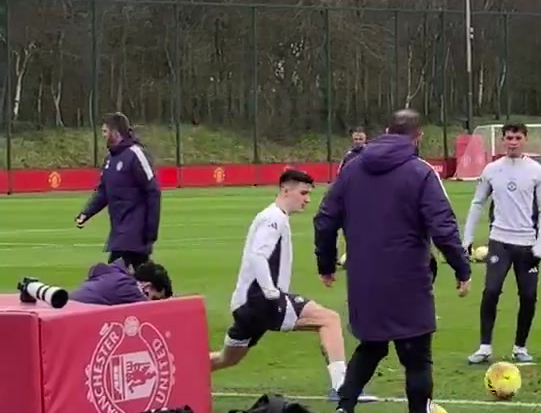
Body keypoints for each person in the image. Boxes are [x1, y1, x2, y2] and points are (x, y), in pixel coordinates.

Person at [314, 110, 471, 413]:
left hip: (364, 278)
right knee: (417, 359)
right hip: (408, 278)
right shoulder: (420, 172)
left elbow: (324, 219)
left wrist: (326, 264)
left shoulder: (352, 169)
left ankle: (345, 407)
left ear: (385, 131)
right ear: (418, 137)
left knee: (371, 346)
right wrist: (462, 268)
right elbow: (443, 225)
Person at [211, 169, 348, 396]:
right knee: (329, 319)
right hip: (260, 302)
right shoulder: (273, 218)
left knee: (227, 358)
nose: (307, 199)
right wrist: (271, 292)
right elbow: (258, 255)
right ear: (286, 190)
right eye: (303, 193)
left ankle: (180, 375)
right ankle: (342, 388)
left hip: (246, 305)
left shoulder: (274, 217)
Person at [462, 120, 541, 367]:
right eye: (509, 138)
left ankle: (520, 348)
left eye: (517, 138)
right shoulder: (492, 170)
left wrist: (540, 246)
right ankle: (484, 347)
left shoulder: (536, 171)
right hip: (500, 242)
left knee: (529, 296)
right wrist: (467, 239)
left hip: (527, 244)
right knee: (491, 291)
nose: (513, 143)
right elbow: (477, 203)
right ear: (502, 140)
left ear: (525, 139)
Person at [75, 113, 161, 265]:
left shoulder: (136, 154)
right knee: (140, 273)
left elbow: (153, 191)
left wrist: (151, 230)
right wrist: (86, 213)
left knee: (115, 273)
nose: (103, 135)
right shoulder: (110, 160)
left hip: (135, 232)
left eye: (105, 131)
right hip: (119, 230)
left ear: (115, 132)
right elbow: (103, 192)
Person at [17, 260, 173, 307]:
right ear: (147, 287)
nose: (153, 302)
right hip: (71, 316)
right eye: (155, 298)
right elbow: (154, 314)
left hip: (65, 306)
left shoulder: (113, 275)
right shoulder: (129, 289)